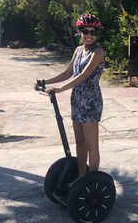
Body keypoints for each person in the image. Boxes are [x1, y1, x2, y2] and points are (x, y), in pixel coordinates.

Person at [34, 14, 105, 176]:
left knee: (91, 145)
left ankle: (92, 181)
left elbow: (84, 75)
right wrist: (44, 82)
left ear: (96, 34)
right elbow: (68, 73)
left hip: (91, 101)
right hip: (77, 100)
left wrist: (59, 89)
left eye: (93, 32)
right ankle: (81, 177)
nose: (89, 35)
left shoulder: (98, 52)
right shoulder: (78, 50)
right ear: (79, 32)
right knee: (80, 142)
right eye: (85, 31)